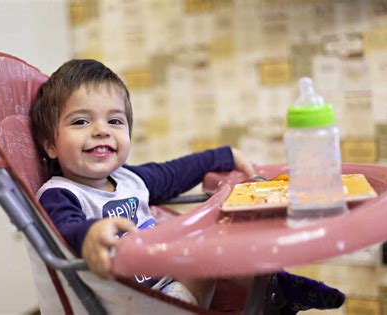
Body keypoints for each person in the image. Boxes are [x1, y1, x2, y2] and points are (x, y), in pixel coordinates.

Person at [31, 59, 345, 313]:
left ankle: (276, 289)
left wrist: (222, 155)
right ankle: (275, 290)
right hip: (130, 302)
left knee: (219, 241)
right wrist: (91, 235)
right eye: (81, 122)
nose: (101, 131)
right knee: (201, 249)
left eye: (114, 121)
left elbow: (175, 172)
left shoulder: (130, 179)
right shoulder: (60, 194)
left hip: (172, 285)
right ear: (50, 145)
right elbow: (64, 230)